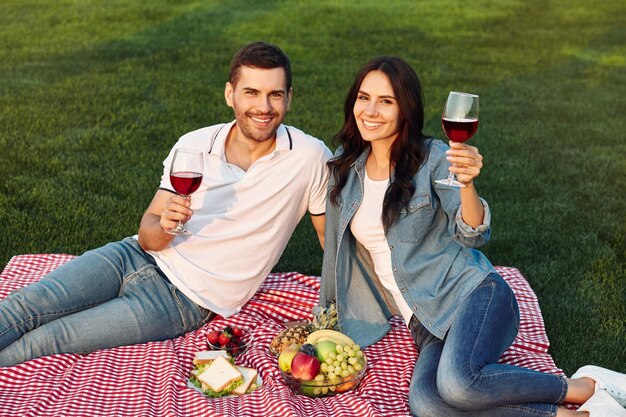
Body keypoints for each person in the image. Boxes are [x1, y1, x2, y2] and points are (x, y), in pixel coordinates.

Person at [318, 56, 626, 417]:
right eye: (363, 97)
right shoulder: (345, 165)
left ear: (406, 109)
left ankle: (584, 386)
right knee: (427, 405)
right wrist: (325, 318)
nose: (370, 110)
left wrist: (466, 184)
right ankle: (572, 415)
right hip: (426, 322)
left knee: (458, 384)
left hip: (473, 295)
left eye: (386, 101)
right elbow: (336, 251)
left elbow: (472, 233)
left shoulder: (433, 158)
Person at [0, 41, 332, 367]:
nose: (264, 107)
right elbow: (148, 235)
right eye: (251, 93)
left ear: (289, 97)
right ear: (230, 94)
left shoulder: (310, 157)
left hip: (181, 302)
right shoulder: (195, 145)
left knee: (50, 339)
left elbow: (329, 240)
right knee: (23, 307)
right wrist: (166, 225)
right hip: (130, 256)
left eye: (274, 94)